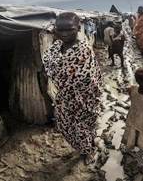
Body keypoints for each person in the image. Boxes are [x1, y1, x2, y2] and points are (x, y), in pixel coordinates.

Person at [42, 12, 102, 165]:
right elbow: (50, 67)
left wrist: (74, 86)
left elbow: (90, 77)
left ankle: (89, 151)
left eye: (69, 29)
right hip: (64, 98)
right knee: (65, 126)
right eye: (60, 29)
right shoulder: (55, 48)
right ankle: (83, 146)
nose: (64, 33)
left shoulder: (84, 50)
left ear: (78, 27)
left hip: (84, 99)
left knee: (83, 128)